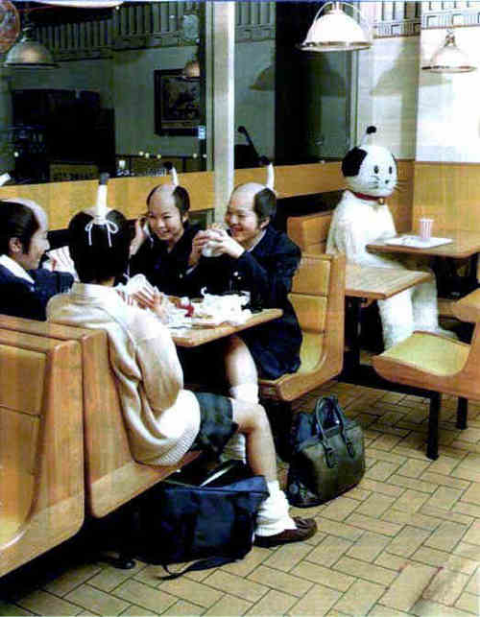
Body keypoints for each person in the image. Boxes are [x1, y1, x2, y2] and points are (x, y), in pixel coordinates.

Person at [47, 200, 317, 548]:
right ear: (124, 256)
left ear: (73, 257)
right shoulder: (138, 321)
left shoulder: (56, 307)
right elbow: (166, 395)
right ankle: (272, 521)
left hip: (95, 427)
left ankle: (234, 474)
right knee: (255, 415)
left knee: (217, 393)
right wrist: (157, 323)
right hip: (148, 433)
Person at [128, 165, 200, 296]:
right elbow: (131, 283)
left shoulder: (198, 242)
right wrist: (137, 243)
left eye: (166, 217)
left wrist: (190, 263)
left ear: (184, 216)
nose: (159, 225)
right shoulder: (151, 244)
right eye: (152, 217)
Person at [0, 198, 73, 321]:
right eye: (43, 237)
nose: (47, 246)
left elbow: (40, 277)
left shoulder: (7, 271)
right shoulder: (19, 293)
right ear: (16, 244)